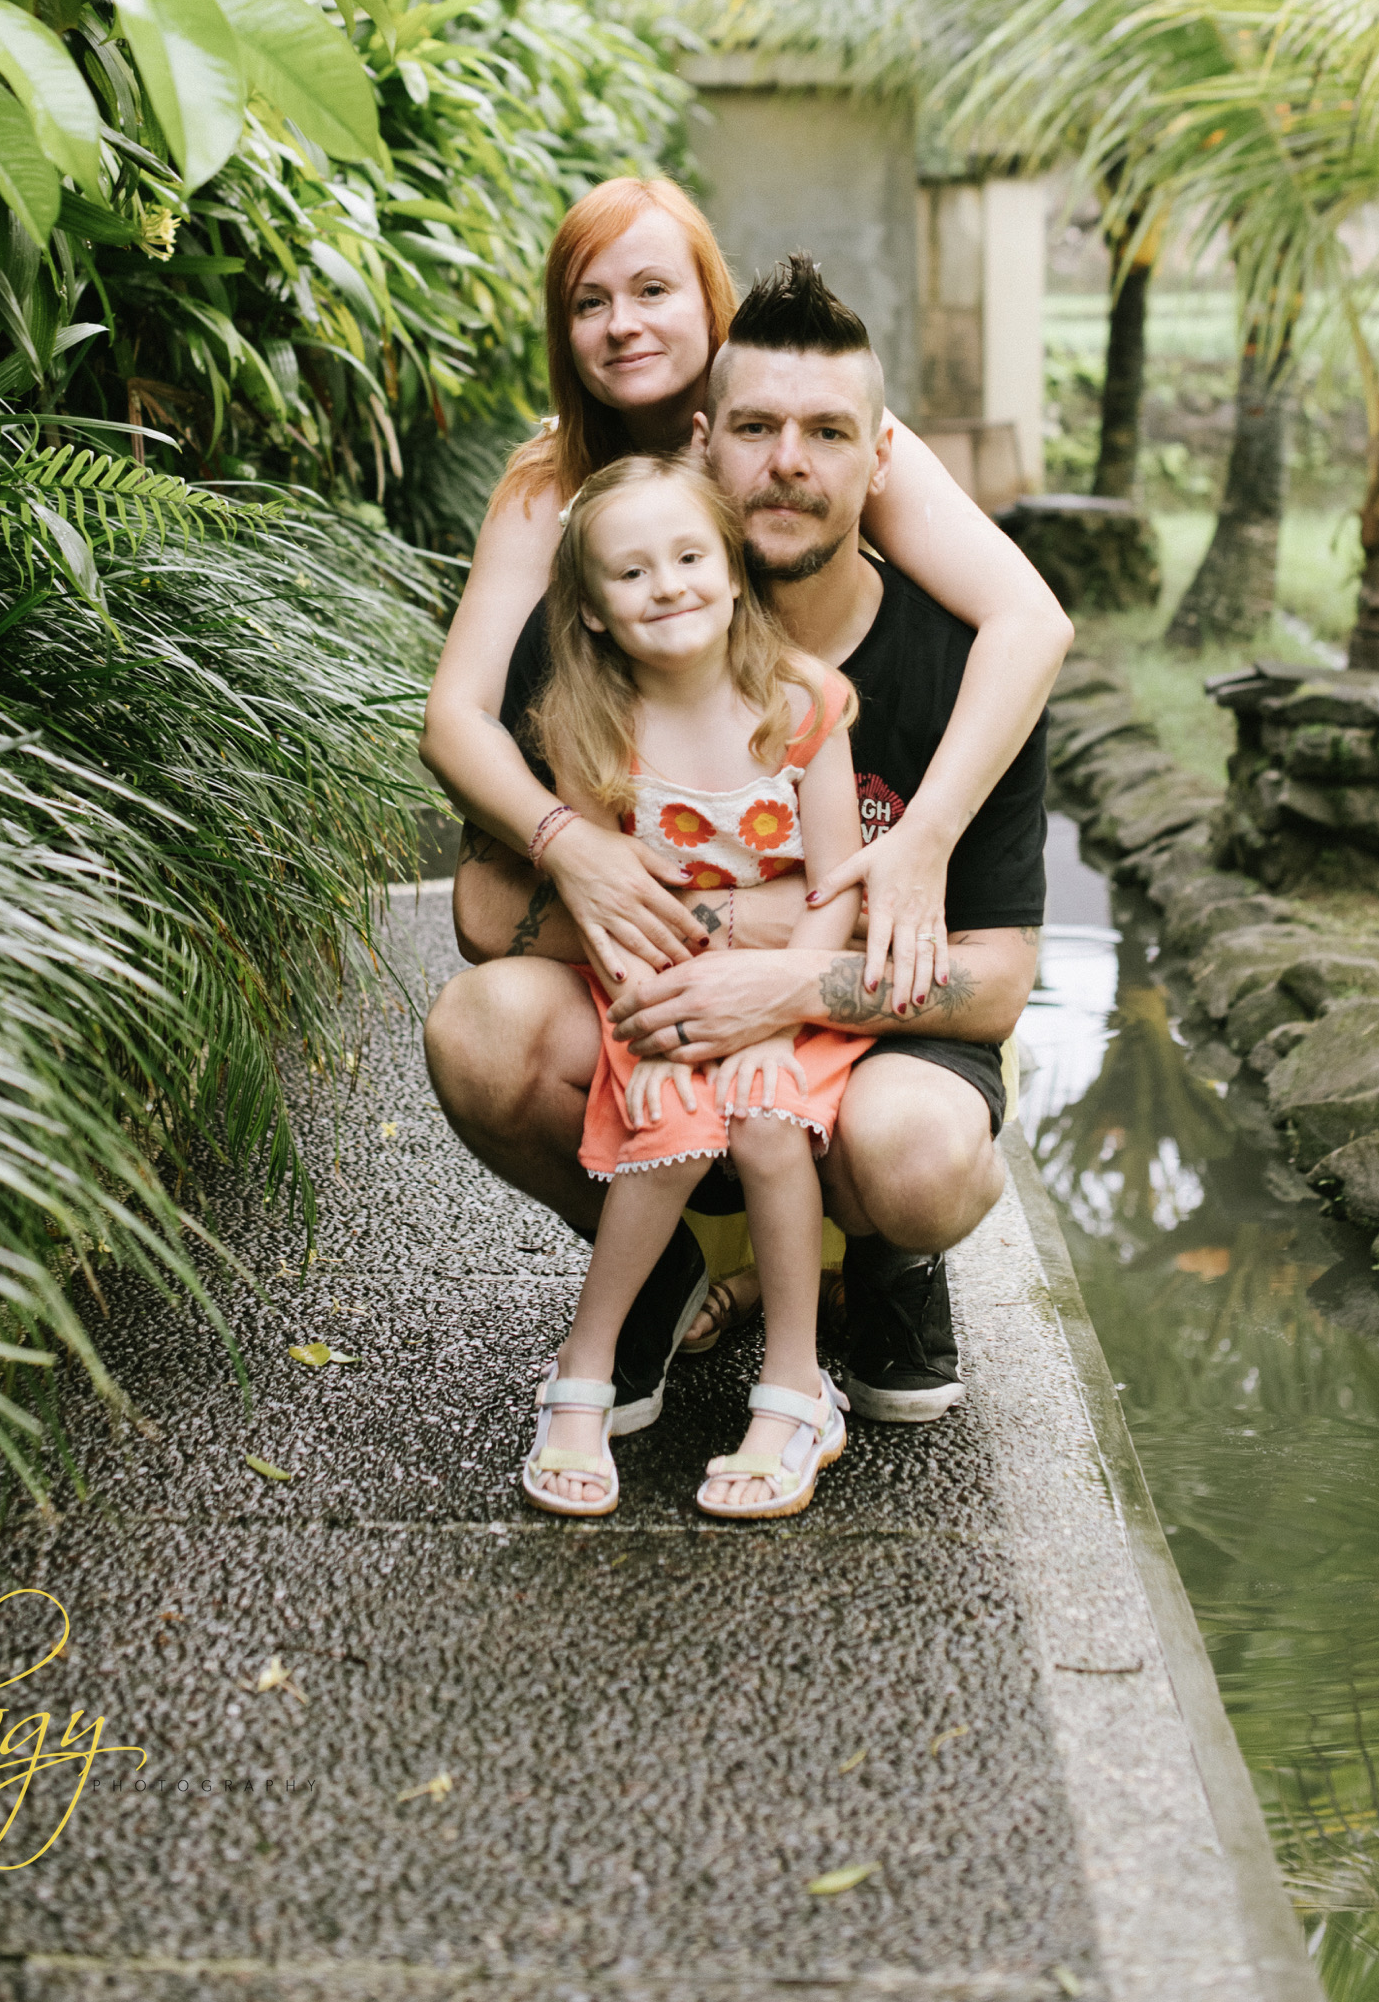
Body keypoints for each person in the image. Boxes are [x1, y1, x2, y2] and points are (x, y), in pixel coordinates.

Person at [428, 253, 1060, 1437]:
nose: (787, 462)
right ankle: (655, 1265)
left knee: (916, 1154)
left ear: (880, 458)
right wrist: (725, 925)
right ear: (703, 443)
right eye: (757, 428)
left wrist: (785, 981)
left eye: (826, 433)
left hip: (866, 1062)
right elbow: (481, 911)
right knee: (479, 1033)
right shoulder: (619, 633)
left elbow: (994, 985)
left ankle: (883, 1261)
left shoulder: (956, 667)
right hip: (659, 1034)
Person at [420, 178, 1069, 1019]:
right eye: (589, 302)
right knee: (489, 1021)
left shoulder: (806, 426)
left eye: (653, 290)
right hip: (663, 801)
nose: (622, 324)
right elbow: (455, 720)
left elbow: (1030, 619)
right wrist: (568, 844)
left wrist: (924, 837)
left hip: (800, 760)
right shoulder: (553, 488)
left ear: (710, 305)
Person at [506, 452, 865, 1522]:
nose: (666, 586)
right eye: (631, 573)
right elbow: (607, 909)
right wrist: (654, 1027)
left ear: (732, 570)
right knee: (667, 1127)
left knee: (763, 1117)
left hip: (790, 988)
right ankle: (584, 1367)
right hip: (657, 989)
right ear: (592, 609)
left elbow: (836, 885)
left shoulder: (801, 704)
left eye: (688, 558)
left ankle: (795, 1388)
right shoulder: (588, 726)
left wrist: (785, 1008)